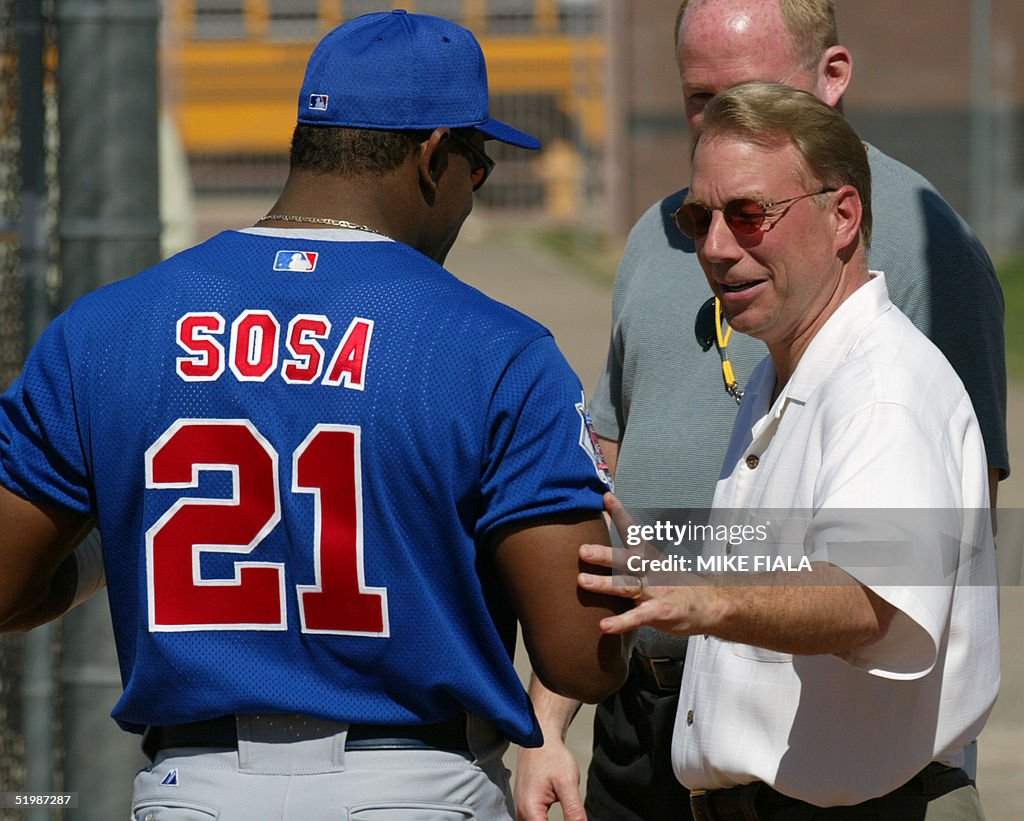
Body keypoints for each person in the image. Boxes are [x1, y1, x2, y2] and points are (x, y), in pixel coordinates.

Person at [0, 10, 631, 820]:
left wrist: (120, 550)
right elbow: (581, 658)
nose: (477, 191)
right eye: (482, 163)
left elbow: (10, 585)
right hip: (413, 788)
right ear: (435, 155)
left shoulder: (104, 328)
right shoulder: (497, 349)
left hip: (194, 792)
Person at [514, 1, 1008, 820]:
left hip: (846, 782)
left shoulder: (889, 351)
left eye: (748, 215)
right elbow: (614, 494)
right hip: (665, 733)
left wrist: (709, 590)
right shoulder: (777, 346)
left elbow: (894, 581)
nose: (712, 246)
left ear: (843, 214)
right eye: (697, 218)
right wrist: (548, 715)